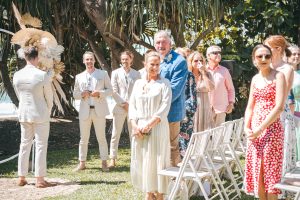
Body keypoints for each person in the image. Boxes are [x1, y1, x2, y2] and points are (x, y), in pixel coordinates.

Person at [244, 44, 286, 199]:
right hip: (255, 133)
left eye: (267, 56)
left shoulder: (278, 76)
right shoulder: (255, 79)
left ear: (271, 58)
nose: (263, 59)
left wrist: (260, 129)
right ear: (254, 59)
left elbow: (279, 107)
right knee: (258, 175)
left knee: (271, 177)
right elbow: (249, 107)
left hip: (271, 130)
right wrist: (246, 127)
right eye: (260, 56)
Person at [129, 51, 172, 200]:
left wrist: (149, 125)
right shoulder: (138, 83)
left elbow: (164, 108)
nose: (154, 67)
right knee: (143, 159)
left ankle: (159, 194)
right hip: (139, 128)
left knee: (157, 160)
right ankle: (148, 192)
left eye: (157, 64)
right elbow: (132, 106)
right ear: (145, 64)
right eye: (151, 64)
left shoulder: (164, 84)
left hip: (158, 128)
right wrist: (135, 126)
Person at [13, 46, 54, 188]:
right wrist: (47, 110)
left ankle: (21, 177)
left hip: (24, 113)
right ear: (37, 58)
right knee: (41, 145)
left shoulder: (17, 75)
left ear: (25, 57)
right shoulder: (42, 75)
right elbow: (49, 97)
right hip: (40, 113)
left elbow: (19, 95)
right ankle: (40, 179)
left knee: (24, 144)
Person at [264, 36, 296, 184]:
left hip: (280, 115)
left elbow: (283, 96)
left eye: (267, 47)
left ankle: (279, 186)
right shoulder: (264, 66)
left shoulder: (287, 69)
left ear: (278, 49)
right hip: (264, 112)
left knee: (279, 151)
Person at [73, 51, 112, 172]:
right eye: (87, 60)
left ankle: (104, 162)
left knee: (101, 138)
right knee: (83, 139)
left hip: (99, 111)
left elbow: (110, 90)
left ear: (94, 60)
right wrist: (81, 94)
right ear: (83, 61)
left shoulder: (103, 73)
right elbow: (75, 94)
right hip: (85, 111)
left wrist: (100, 93)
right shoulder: (79, 76)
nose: (89, 62)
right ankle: (82, 163)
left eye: (91, 59)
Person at [155, 30, 188, 166]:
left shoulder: (179, 61)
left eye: (164, 42)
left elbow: (175, 89)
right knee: (157, 146)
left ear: (170, 44)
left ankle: (174, 179)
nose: (161, 45)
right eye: (158, 42)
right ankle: (159, 177)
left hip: (171, 112)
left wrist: (158, 105)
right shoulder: (154, 60)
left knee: (171, 146)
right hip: (154, 112)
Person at [108, 50, 141, 168]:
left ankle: (135, 158)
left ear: (131, 60)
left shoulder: (137, 74)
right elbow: (113, 91)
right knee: (115, 133)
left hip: (133, 108)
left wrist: (131, 105)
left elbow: (138, 91)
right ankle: (112, 158)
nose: (124, 62)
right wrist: (123, 104)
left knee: (133, 133)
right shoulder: (115, 73)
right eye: (122, 59)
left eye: (126, 59)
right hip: (119, 107)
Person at [206, 45, 235, 127]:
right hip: (205, 108)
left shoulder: (225, 71)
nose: (218, 54)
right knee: (205, 135)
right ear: (208, 56)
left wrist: (231, 103)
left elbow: (231, 89)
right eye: (215, 53)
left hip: (221, 108)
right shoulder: (203, 70)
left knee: (218, 135)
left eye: (219, 53)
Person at [190, 51, 215, 132]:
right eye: (196, 61)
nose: (199, 62)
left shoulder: (207, 74)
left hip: (205, 106)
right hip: (192, 107)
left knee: (206, 133)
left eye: (201, 60)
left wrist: (203, 73)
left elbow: (211, 88)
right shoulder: (187, 75)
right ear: (191, 62)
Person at [178, 55, 197, 157]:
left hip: (185, 115)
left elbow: (192, 98)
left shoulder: (189, 75)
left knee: (184, 145)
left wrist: (183, 111)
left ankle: (184, 169)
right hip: (169, 115)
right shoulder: (168, 73)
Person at [287, 45, 300, 162]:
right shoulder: (283, 73)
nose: (296, 56)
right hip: (289, 109)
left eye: (298, 54)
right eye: (293, 54)